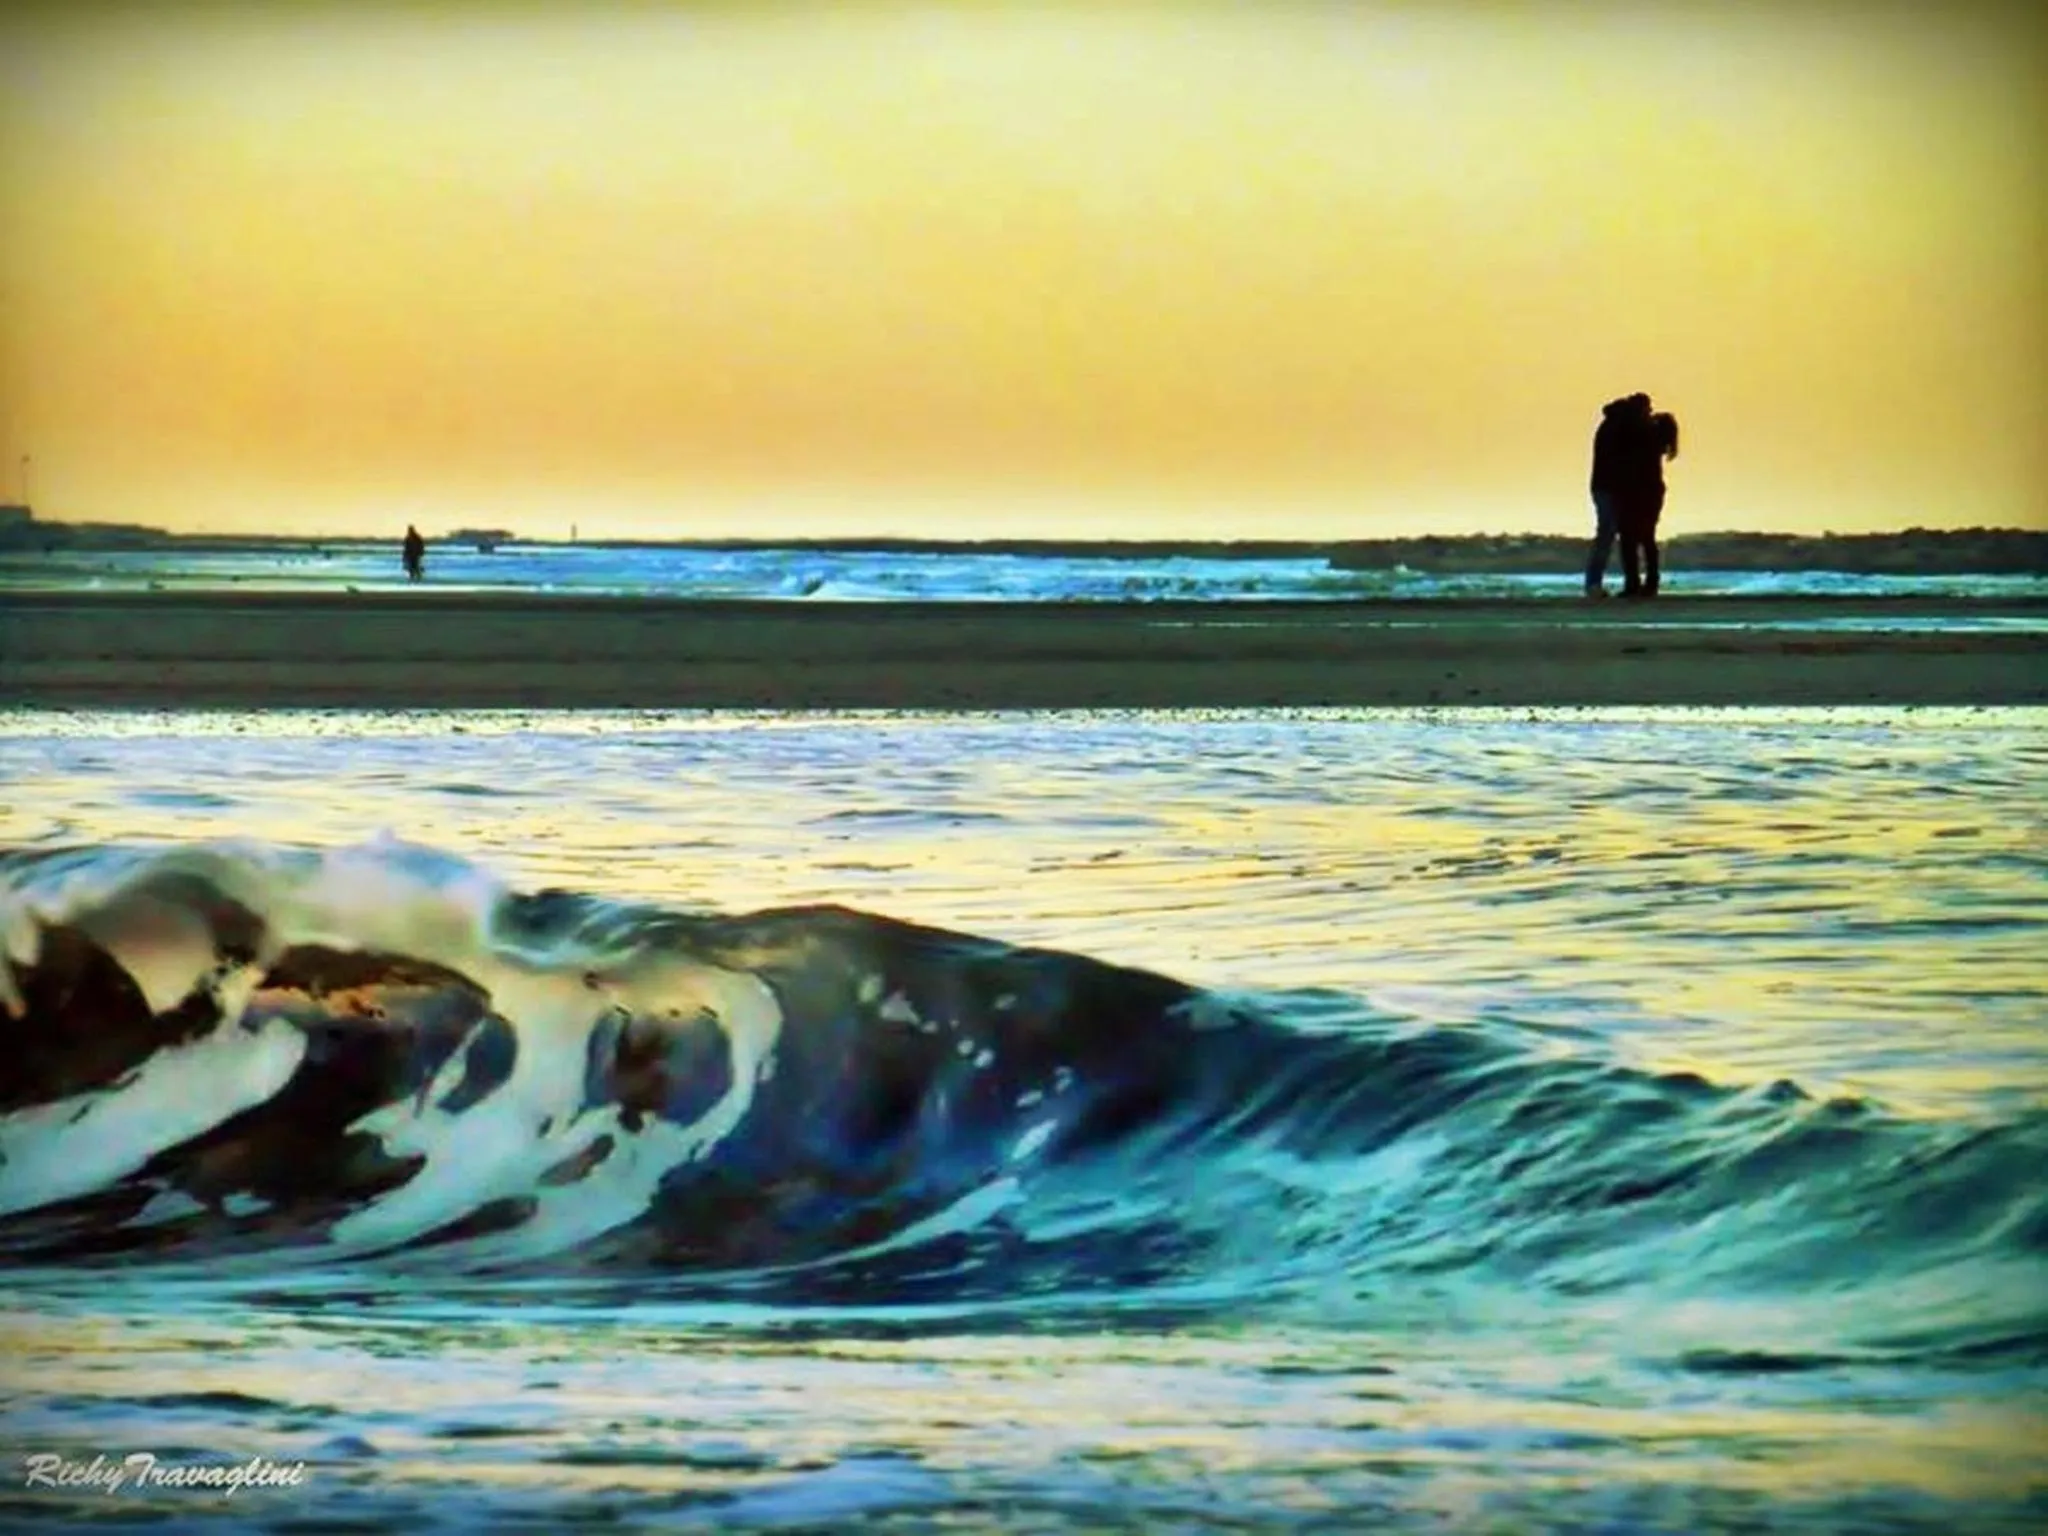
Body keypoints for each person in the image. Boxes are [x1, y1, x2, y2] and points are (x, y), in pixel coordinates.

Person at [1585, 393, 1651, 597]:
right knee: (1608, 533)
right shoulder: (1619, 427)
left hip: (1606, 487)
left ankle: (1598, 583)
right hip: (1610, 488)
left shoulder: (1612, 424)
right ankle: (1594, 584)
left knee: (1610, 534)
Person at [1617, 409, 1679, 598]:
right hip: (1652, 491)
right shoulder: (1658, 443)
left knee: (1630, 538)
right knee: (1647, 537)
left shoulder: (1648, 441)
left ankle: (1633, 582)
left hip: (1639, 491)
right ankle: (1650, 582)